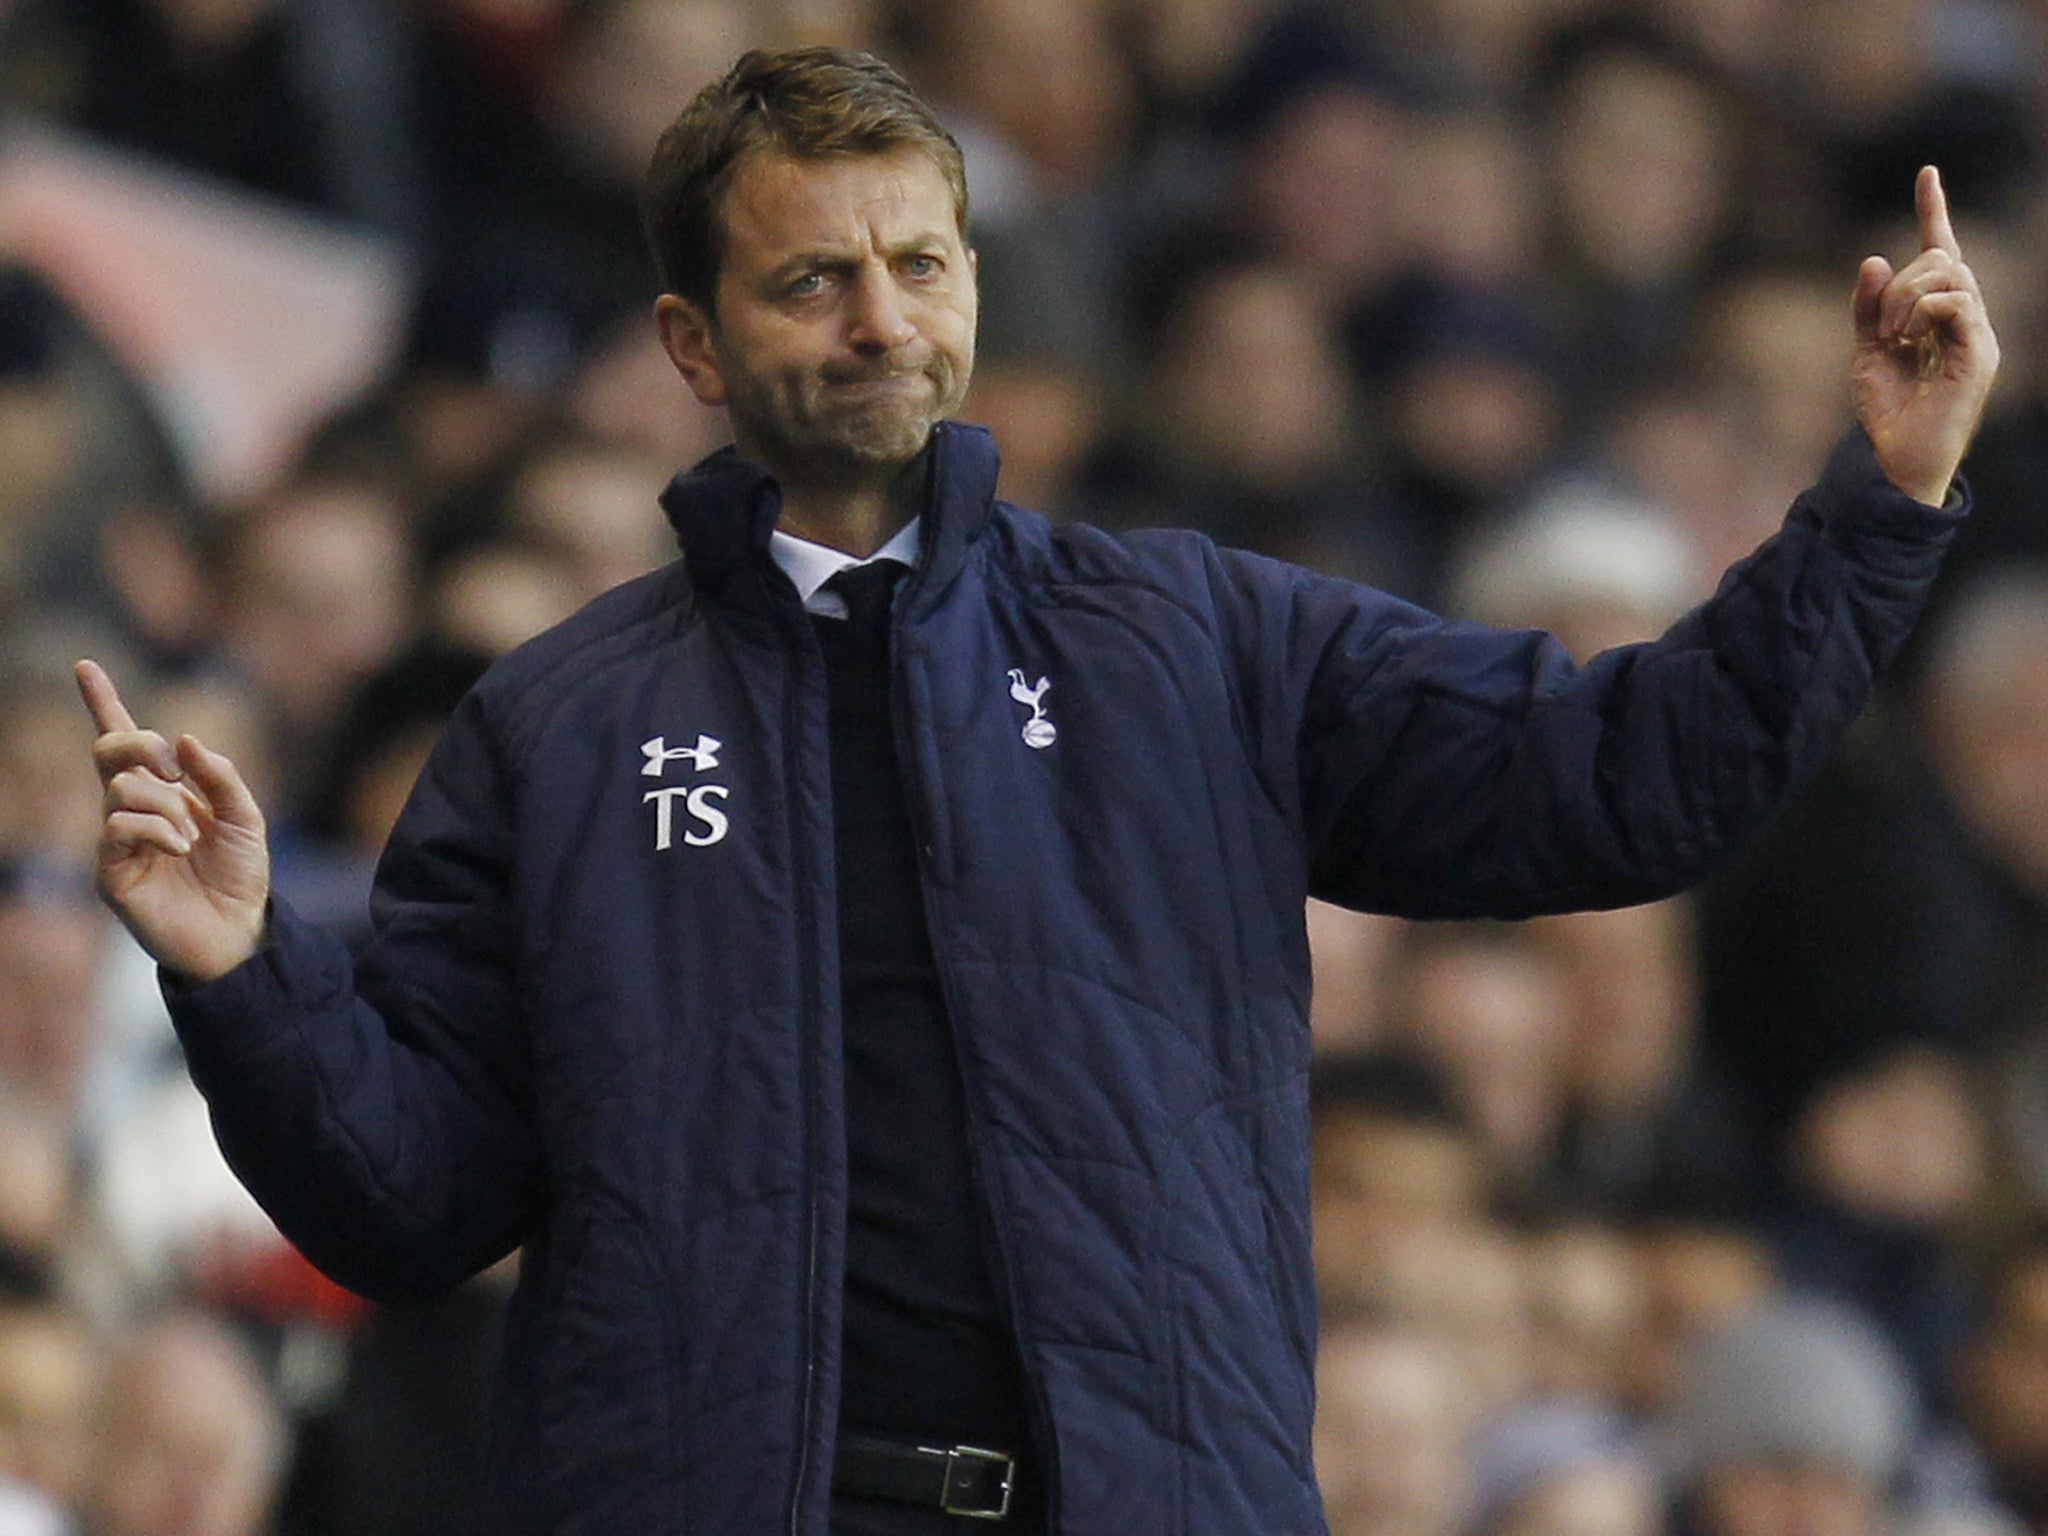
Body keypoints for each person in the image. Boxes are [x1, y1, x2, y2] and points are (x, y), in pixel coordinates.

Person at [74, 44, 1995, 1536]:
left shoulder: (1199, 642)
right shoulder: (555, 730)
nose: (880, 321)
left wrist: (1878, 501)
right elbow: (410, 1201)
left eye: (917, 264)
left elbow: (1623, 781)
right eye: (813, 281)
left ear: (976, 290)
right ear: (690, 343)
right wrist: (247, 972)